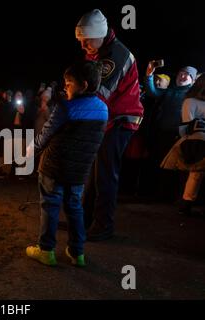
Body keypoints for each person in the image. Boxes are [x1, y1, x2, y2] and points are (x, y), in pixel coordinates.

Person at [26, 60, 108, 267]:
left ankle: (46, 251)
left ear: (84, 85)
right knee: (75, 208)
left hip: (54, 168)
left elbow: (45, 134)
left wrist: (29, 151)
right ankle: (77, 252)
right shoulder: (103, 109)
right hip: (79, 171)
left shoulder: (66, 107)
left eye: (69, 83)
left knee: (50, 207)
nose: (65, 87)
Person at [76, 9, 144, 241]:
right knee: (93, 175)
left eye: (86, 40)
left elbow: (98, 93)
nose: (83, 45)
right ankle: (84, 221)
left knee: (105, 174)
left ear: (100, 34)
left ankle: (104, 226)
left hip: (120, 121)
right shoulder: (97, 52)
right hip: (104, 121)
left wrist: (71, 114)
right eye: (80, 41)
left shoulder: (115, 55)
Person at [145, 64, 198, 201]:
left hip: (180, 135)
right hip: (162, 132)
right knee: (161, 163)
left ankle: (174, 196)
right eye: (181, 73)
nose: (182, 76)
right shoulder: (170, 90)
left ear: (192, 79)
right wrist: (149, 76)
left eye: (186, 74)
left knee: (177, 166)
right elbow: (153, 92)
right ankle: (160, 194)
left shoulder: (192, 94)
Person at [160, 74, 205, 216]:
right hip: (196, 141)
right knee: (195, 173)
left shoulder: (190, 101)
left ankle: (186, 204)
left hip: (195, 139)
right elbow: (186, 125)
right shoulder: (190, 101)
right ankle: (185, 204)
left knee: (195, 174)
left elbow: (185, 126)